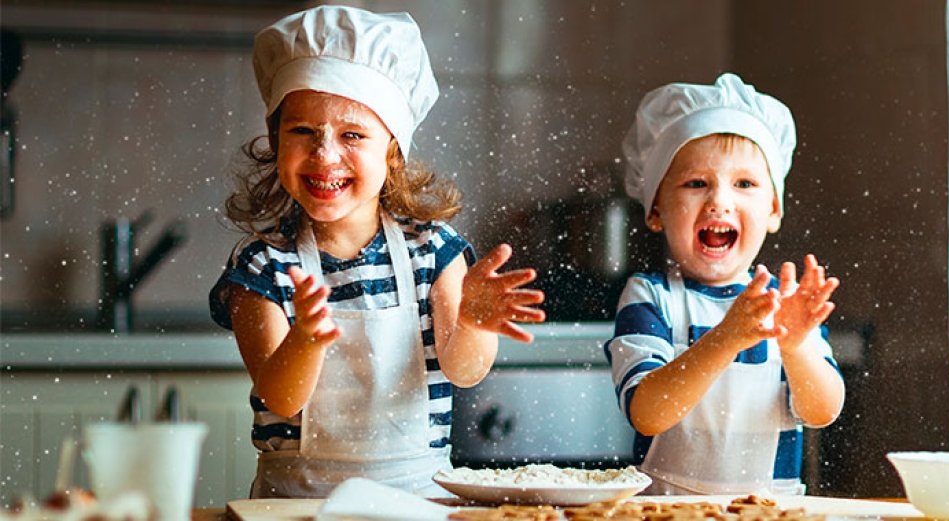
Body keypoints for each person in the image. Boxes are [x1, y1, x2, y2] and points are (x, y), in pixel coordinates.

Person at [209, 5, 545, 498]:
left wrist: (472, 322)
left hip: (419, 498)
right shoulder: (261, 266)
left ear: (392, 150)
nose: (324, 154)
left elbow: (464, 371)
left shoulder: (434, 250)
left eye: (352, 134)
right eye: (302, 131)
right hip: (298, 504)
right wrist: (305, 338)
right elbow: (280, 397)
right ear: (275, 140)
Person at [606, 73, 845, 496]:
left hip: (770, 511)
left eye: (745, 184)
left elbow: (822, 411)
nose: (719, 200)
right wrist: (725, 339)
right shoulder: (650, 297)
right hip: (665, 511)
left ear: (773, 210)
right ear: (656, 208)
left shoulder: (784, 305)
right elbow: (646, 412)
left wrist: (794, 346)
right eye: (696, 183)